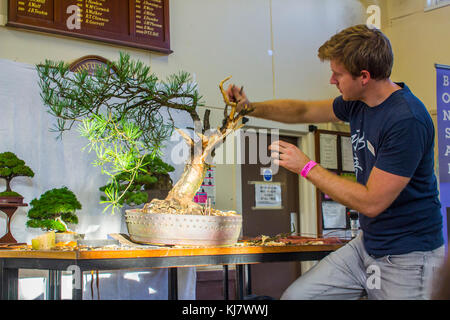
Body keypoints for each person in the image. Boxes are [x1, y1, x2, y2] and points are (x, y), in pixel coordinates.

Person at [227, 24, 445, 300]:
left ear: (364, 76)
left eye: (337, 74)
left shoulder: (406, 120)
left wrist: (306, 166)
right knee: (297, 297)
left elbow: (372, 201)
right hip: (369, 245)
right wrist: (249, 107)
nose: (332, 80)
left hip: (408, 255)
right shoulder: (356, 102)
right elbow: (303, 110)